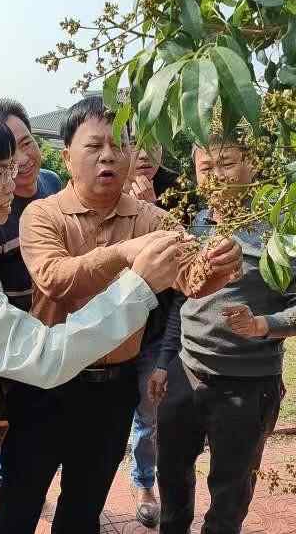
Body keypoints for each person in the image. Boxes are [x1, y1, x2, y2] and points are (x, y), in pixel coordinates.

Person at [0, 106, 182, 534]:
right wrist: (137, 282)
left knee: (82, 505)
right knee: (15, 505)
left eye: (12, 167)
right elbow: (44, 352)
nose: (13, 182)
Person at [0, 96, 243, 534]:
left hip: (113, 390)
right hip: (46, 384)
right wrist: (127, 253)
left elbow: (191, 280)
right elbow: (55, 279)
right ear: (67, 157)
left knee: (83, 508)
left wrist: (220, 264)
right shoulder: (42, 214)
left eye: (119, 145)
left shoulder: (155, 220)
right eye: (94, 146)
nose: (108, 155)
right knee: (18, 504)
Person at [152, 134, 296, 534]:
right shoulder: (195, 224)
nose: (215, 177)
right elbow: (182, 301)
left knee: (230, 496)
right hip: (185, 375)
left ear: (253, 165)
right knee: (171, 478)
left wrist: (264, 325)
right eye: (205, 168)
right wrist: (163, 362)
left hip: (247, 388)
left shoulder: (285, 231)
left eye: (226, 163)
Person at [0, 99, 62, 527]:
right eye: (6, 155)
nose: (22, 161)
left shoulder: (52, 185)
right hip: (3, 350)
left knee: (24, 457)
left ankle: (2, 486)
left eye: (26, 143)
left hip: (46, 345)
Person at [123, 142, 179, 527]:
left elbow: (184, 269)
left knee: (149, 412)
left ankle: (144, 483)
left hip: (156, 330)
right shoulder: (105, 188)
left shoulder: (180, 192)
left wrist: (156, 212)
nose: (145, 154)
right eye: (136, 145)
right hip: (110, 333)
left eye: (153, 143)